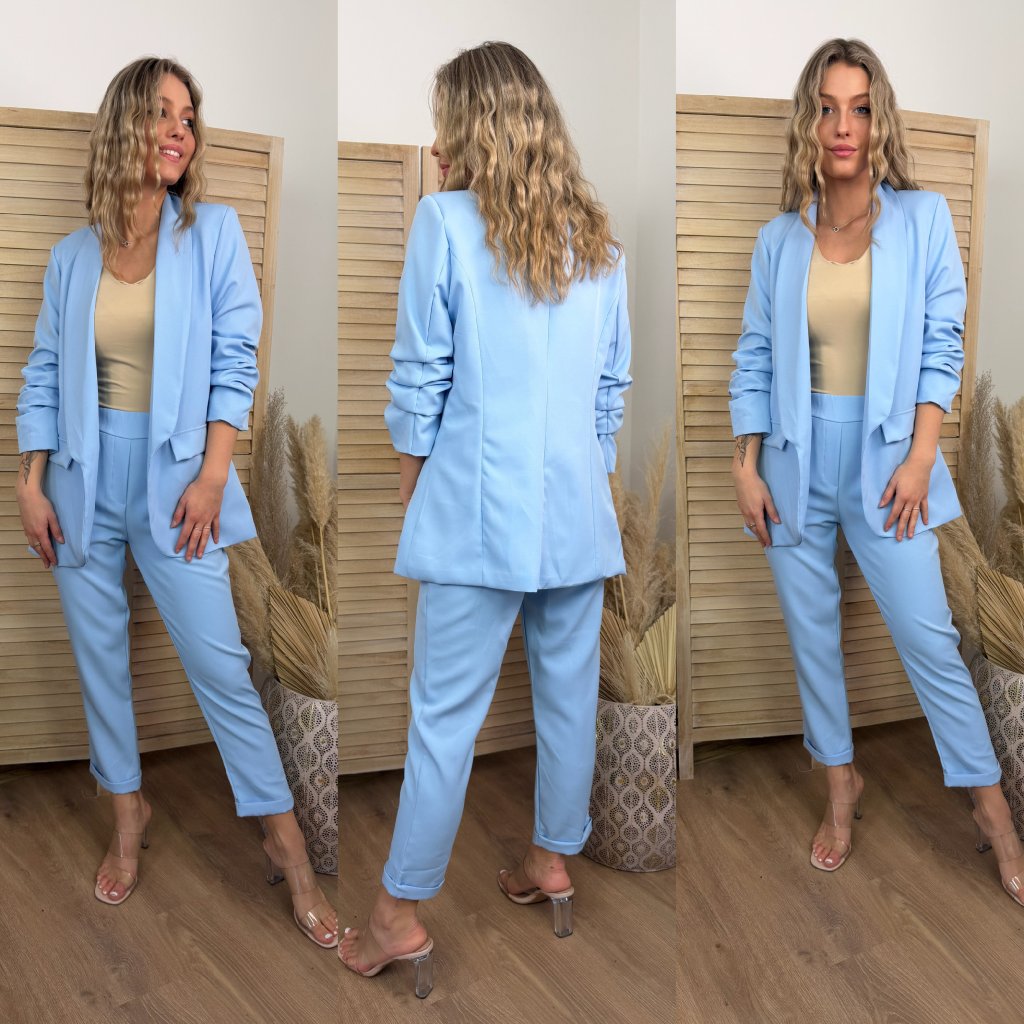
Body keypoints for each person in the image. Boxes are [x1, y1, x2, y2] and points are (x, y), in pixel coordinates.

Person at [14, 57, 338, 947]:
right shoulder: (71, 257)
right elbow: (44, 372)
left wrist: (213, 476)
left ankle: (287, 846)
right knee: (100, 663)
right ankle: (127, 816)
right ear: (125, 121)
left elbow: (236, 359)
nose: (179, 131)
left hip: (179, 483)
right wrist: (29, 481)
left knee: (222, 669)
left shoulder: (213, 234)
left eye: (189, 118)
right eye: (162, 113)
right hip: (79, 482)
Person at [339, 41, 632, 996]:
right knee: (567, 700)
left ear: (472, 126)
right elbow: (609, 394)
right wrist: (588, 485)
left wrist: (412, 484)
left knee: (442, 722)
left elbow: (419, 377)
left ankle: (396, 916)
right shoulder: (599, 241)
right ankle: (551, 861)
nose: (436, 142)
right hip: (577, 517)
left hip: (474, 514)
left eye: (444, 123)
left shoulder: (444, 222)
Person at [729, 38, 1022, 903]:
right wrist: (746, 466)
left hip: (890, 460)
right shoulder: (778, 241)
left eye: (858, 108)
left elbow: (941, 346)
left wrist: (924, 456)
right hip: (791, 463)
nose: (843, 125)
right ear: (809, 122)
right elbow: (754, 356)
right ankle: (840, 787)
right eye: (827, 108)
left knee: (929, 641)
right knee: (812, 638)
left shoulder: (922, 220)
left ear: (878, 119)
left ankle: (994, 815)